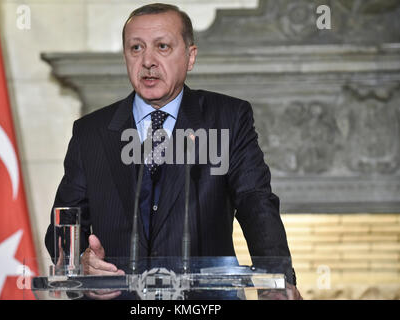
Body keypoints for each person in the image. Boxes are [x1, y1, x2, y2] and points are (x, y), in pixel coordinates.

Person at [45, 3, 302, 300]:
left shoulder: (228, 118)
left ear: (190, 56)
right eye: (136, 48)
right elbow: (62, 226)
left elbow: (256, 202)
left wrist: (277, 280)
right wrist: (82, 263)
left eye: (162, 47)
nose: (148, 61)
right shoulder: (91, 132)